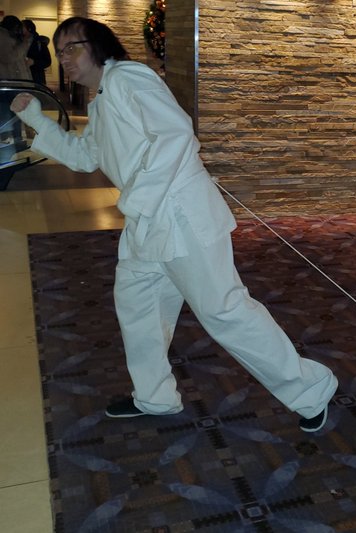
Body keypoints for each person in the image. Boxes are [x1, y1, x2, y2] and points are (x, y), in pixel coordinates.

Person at [10, 17, 338, 432]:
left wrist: (137, 199)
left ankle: (311, 391)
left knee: (224, 311)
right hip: (148, 221)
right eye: (59, 53)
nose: (65, 58)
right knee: (138, 307)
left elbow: (176, 135)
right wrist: (37, 119)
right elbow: (84, 157)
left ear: (98, 45)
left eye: (72, 47)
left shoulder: (128, 77)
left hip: (180, 215)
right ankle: (155, 397)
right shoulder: (102, 99)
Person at [0, 15, 33, 157]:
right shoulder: (3, 37)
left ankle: (16, 141)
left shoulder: (8, 37)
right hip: (9, 83)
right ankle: (13, 141)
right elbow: (10, 57)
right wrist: (24, 43)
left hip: (14, 82)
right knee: (11, 114)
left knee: (15, 113)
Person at [23, 19, 52, 85]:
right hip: (22, 78)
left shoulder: (39, 42)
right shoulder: (18, 41)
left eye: (22, 27)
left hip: (36, 79)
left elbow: (48, 61)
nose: (19, 29)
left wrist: (34, 62)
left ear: (29, 29)